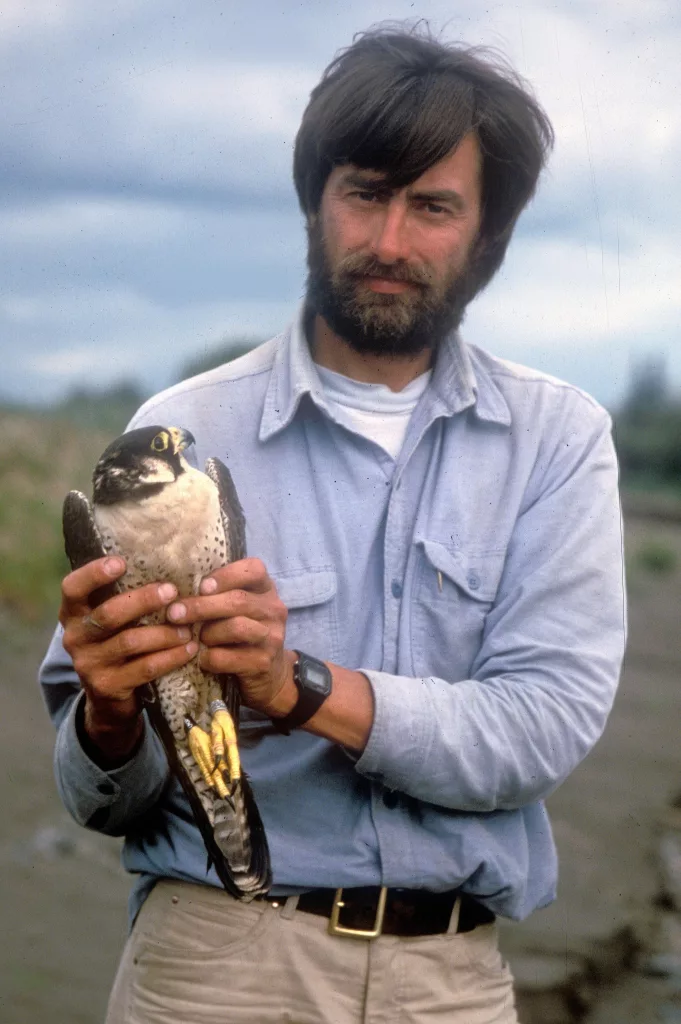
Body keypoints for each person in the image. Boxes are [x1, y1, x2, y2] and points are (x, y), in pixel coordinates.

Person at [40, 24, 626, 1024]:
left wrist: (296, 685)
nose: (390, 242)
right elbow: (104, 797)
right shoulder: (180, 433)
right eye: (363, 192)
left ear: (489, 233)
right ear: (316, 203)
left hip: (452, 983)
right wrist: (107, 710)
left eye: (433, 205)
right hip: (211, 965)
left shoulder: (559, 440)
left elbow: (539, 728)